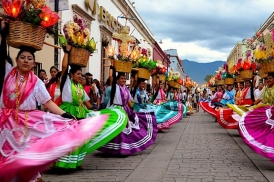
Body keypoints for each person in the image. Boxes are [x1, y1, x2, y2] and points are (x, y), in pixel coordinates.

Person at [0, 26, 114, 181]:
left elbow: (47, 103)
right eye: (22, 57)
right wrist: (3, 38)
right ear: (16, 60)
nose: (26, 61)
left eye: (29, 58)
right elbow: (2, 57)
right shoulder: (8, 74)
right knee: (6, 156)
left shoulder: (37, 83)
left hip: (26, 124)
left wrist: (65, 114)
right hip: (6, 123)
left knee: (25, 156)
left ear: (34, 63)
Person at [54, 46, 128, 169]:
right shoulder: (66, 82)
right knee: (67, 138)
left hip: (81, 113)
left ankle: (76, 162)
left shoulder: (80, 88)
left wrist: (99, 112)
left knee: (81, 139)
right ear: (71, 75)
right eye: (77, 74)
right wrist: (67, 52)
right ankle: (62, 163)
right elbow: (64, 68)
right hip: (68, 111)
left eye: (80, 74)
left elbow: (87, 103)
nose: (80, 76)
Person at [98, 67, 157, 155]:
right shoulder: (114, 87)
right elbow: (111, 78)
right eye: (121, 79)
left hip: (124, 109)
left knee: (128, 128)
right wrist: (113, 69)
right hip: (116, 109)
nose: (123, 80)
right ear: (117, 80)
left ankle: (124, 148)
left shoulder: (126, 89)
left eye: (125, 79)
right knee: (118, 128)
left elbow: (128, 100)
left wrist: (132, 109)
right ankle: (114, 148)